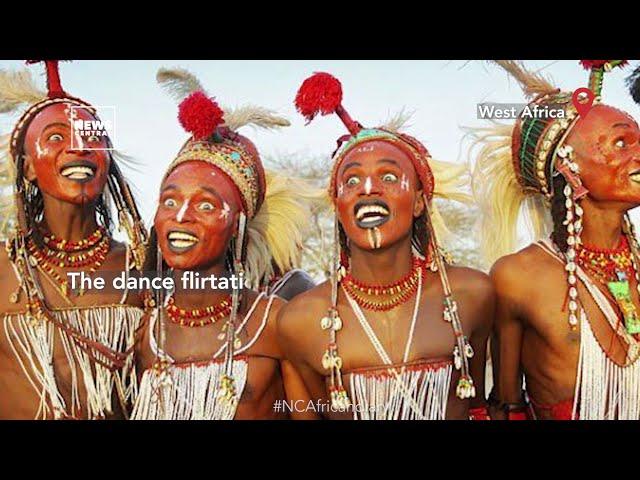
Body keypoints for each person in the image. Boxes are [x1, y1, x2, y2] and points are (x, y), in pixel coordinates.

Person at [277, 72, 494, 420]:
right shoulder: (300, 320)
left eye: (389, 177)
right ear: (338, 204)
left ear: (420, 202)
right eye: (351, 180)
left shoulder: (472, 293)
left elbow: (481, 405)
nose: (368, 189)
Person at [131, 68, 316, 420]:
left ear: (237, 225)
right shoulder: (146, 330)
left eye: (206, 205)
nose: (181, 216)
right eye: (170, 201)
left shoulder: (274, 321)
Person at [471, 60, 640, 419]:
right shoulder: (518, 277)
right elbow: (505, 407)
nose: (636, 155)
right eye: (620, 142)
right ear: (569, 166)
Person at [0, 60, 148, 419]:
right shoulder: (3, 268)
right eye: (55, 137)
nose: (79, 148)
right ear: (29, 167)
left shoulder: (142, 268)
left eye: (93, 137)